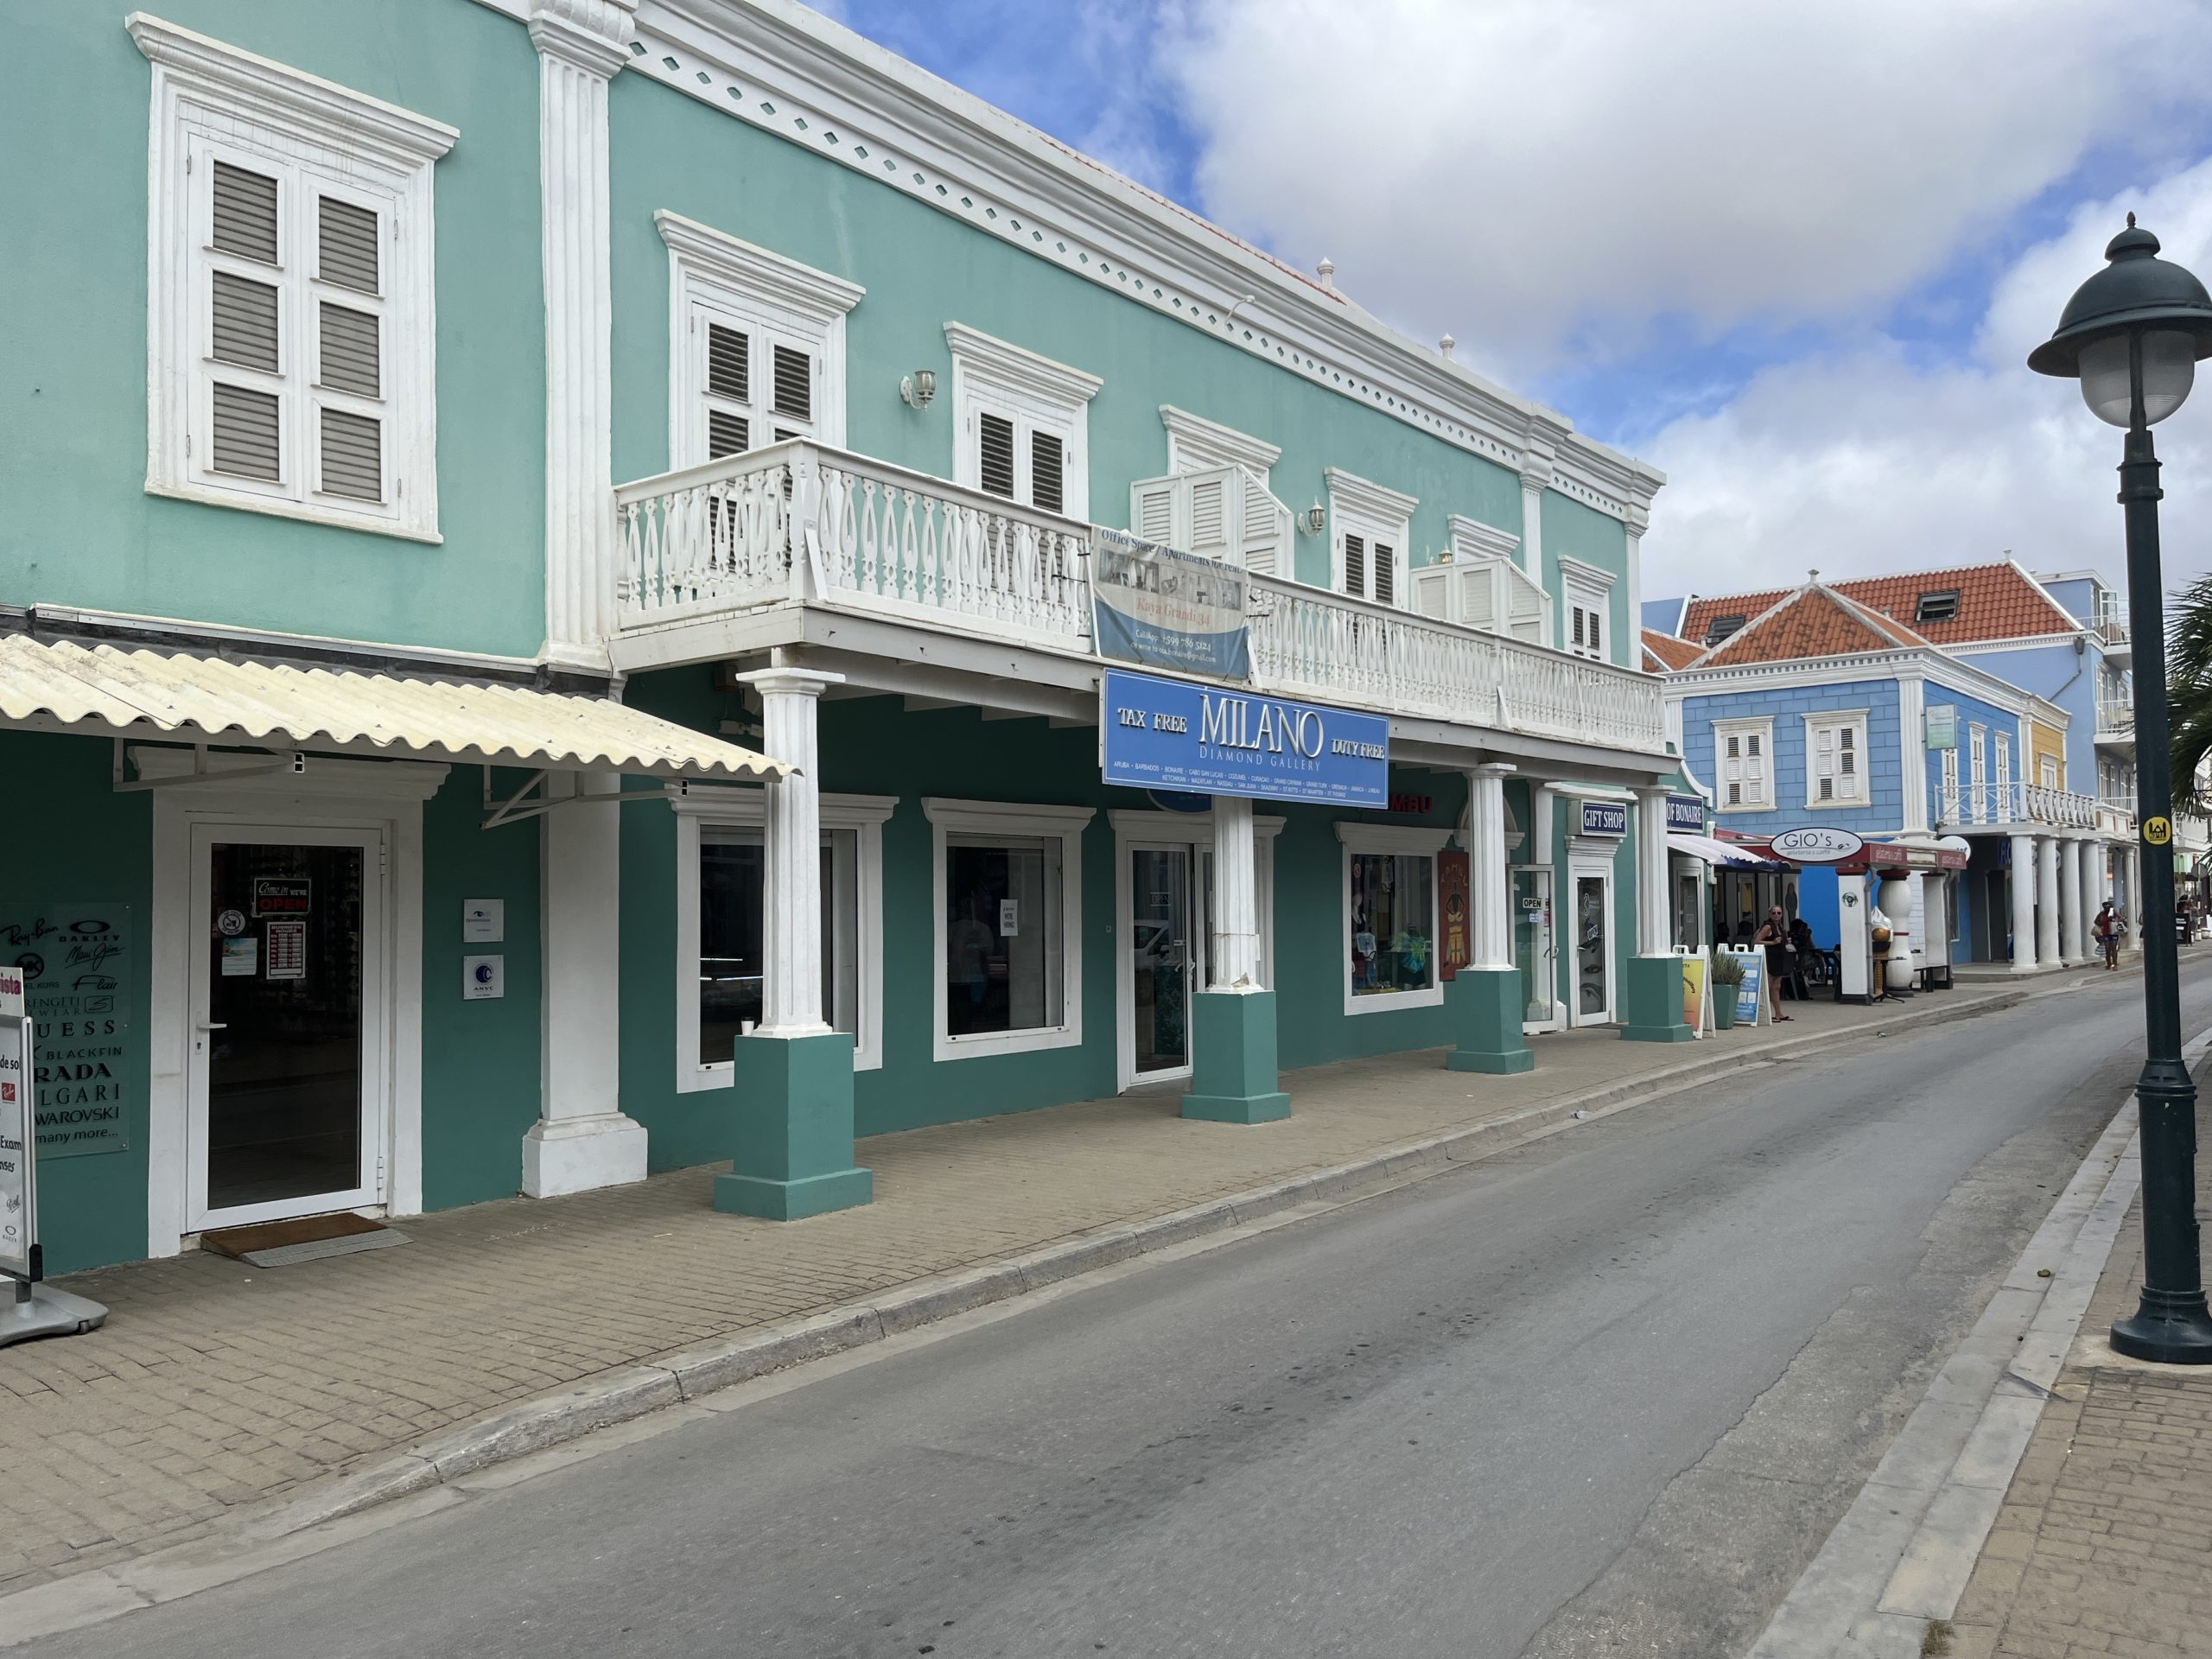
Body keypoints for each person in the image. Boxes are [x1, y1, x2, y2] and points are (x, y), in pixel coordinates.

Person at [1752, 905, 1792, 1021]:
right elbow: (1757, 942)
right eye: (1774, 913)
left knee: (1776, 987)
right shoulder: (1768, 927)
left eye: (1778, 913)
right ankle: (1765, 1014)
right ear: (1770, 914)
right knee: (1767, 986)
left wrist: (1786, 940)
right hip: (1770, 959)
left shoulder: (1779, 926)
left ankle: (1778, 1013)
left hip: (1779, 959)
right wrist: (1773, 942)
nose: (1776, 915)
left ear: (1781, 915)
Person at [2094, 898, 2123, 969]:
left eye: (2108, 908)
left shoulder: (2114, 912)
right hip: (2106, 932)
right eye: (2105, 908)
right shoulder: (2102, 914)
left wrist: (2116, 920)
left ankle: (2115, 964)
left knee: (2113, 948)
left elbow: (2121, 918)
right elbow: (2096, 922)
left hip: (2114, 932)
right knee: (2107, 949)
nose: (2107, 909)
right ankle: (2109, 963)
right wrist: (2102, 923)